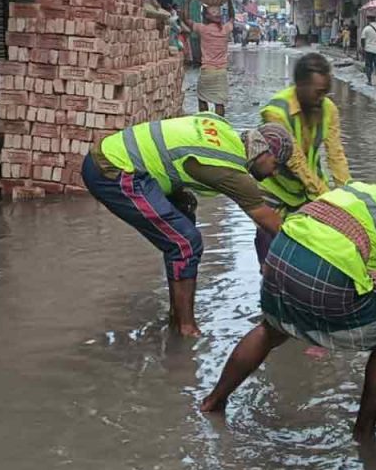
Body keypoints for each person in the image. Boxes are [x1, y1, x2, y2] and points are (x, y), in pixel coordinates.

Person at [201, 160, 376, 440]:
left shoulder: (370, 191)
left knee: (272, 328)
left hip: (282, 252)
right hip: (328, 269)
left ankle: (213, 401)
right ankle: (364, 433)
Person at [81, 115, 293, 338]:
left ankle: (176, 315)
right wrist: (308, 243)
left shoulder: (222, 129)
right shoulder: (231, 170)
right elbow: (268, 221)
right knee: (185, 243)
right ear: (264, 152)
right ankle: (185, 329)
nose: (275, 173)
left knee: (184, 209)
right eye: (276, 165)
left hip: (112, 154)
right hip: (113, 171)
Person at [255, 53, 353, 262]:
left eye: (325, 93)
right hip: (275, 189)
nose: (321, 99)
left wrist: (348, 196)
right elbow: (296, 161)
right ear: (300, 85)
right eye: (317, 93)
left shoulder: (328, 108)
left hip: (309, 187)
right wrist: (327, 197)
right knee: (271, 249)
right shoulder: (276, 112)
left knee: (314, 250)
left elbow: (336, 154)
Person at [189, 1, 235, 117]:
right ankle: (219, 127)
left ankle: (204, 124)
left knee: (202, 98)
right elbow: (232, 17)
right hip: (221, 72)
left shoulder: (203, 29)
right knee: (220, 103)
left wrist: (189, 0)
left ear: (205, 17)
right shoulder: (225, 30)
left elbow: (186, 20)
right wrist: (229, 1)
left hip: (207, 71)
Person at [360, 15, 376, 85]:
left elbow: (362, 39)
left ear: (369, 20)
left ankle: (369, 80)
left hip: (368, 49)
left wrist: (363, 48)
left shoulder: (366, 28)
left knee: (368, 65)